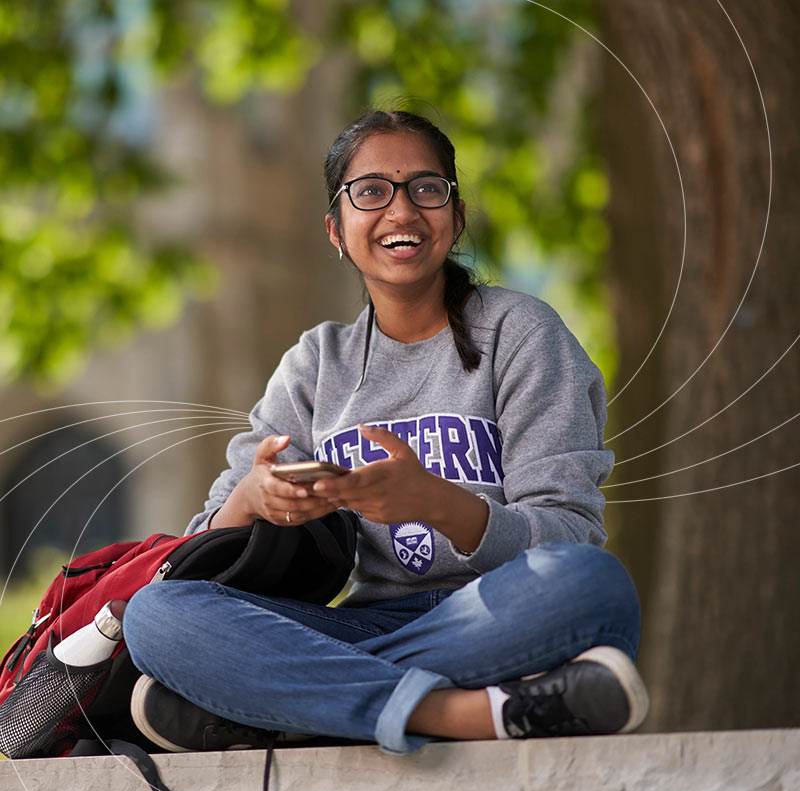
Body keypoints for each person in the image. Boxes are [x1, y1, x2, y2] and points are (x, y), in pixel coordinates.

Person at [124, 110, 648, 756]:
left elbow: (567, 535)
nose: (401, 212)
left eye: (427, 189)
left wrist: (435, 504)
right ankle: (459, 713)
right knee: (157, 618)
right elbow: (192, 558)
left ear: (455, 218)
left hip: (490, 617)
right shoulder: (315, 365)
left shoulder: (523, 336)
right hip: (355, 626)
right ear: (336, 229)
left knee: (594, 586)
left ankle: (293, 707)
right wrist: (253, 501)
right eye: (371, 192)